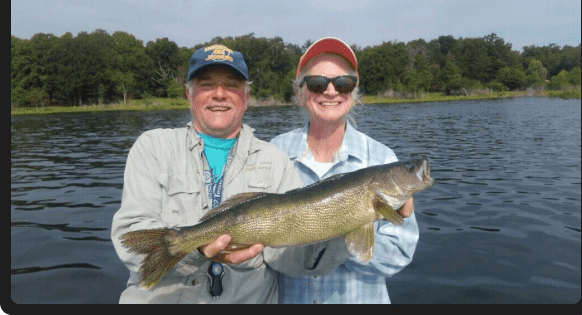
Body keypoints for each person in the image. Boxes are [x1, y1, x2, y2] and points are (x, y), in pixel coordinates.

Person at [112, 44, 352, 303]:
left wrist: (343, 224)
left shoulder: (275, 160)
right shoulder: (152, 147)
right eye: (206, 84)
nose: (219, 94)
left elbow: (290, 261)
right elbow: (131, 241)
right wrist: (198, 248)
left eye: (231, 85)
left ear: (246, 98)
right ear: (188, 95)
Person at [271, 37, 420, 304]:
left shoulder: (383, 158)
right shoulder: (272, 153)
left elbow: (399, 251)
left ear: (354, 91)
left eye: (343, 83)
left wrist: (339, 239)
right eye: (317, 83)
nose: (331, 92)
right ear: (300, 92)